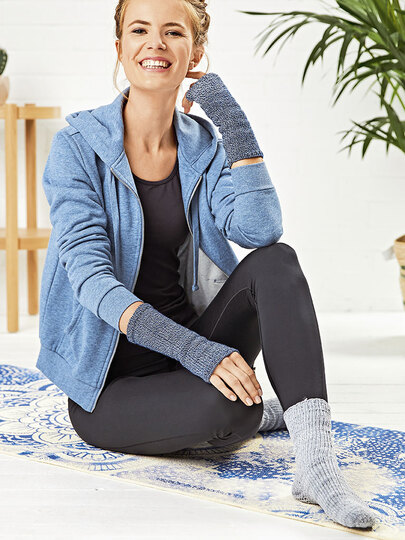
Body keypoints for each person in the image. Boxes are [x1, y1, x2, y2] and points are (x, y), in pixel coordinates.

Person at [37, 0, 376, 530]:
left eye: (173, 32)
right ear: (120, 48)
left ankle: (316, 466)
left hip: (194, 345)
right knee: (235, 412)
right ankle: (264, 411)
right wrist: (198, 353)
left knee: (277, 262)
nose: (155, 42)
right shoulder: (77, 147)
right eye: (139, 30)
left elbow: (260, 231)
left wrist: (230, 119)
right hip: (109, 384)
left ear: (195, 53)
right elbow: (90, 279)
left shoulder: (203, 145)